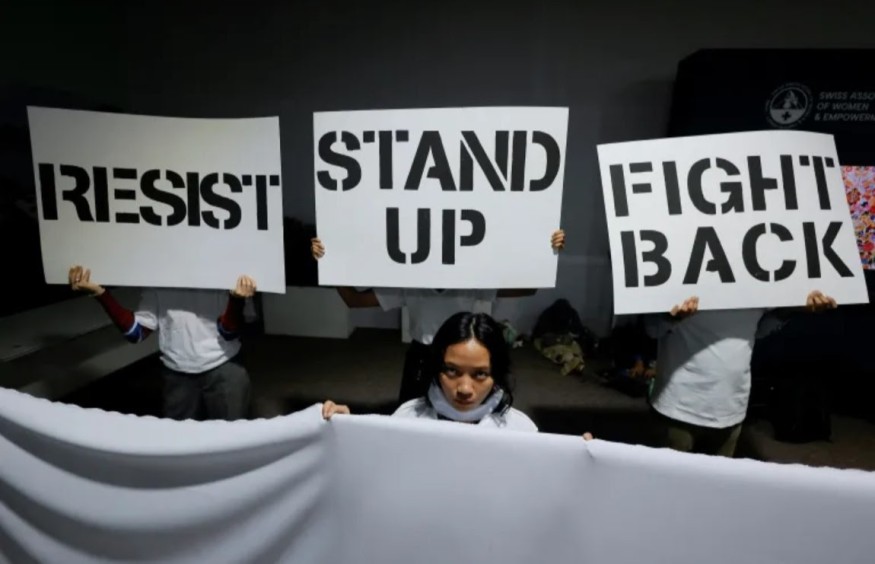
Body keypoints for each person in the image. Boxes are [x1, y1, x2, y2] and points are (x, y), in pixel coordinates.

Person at [311, 229, 566, 405]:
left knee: (467, 415)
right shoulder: (409, 282)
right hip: (423, 356)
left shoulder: (470, 281)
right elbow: (354, 300)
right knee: (411, 418)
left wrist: (547, 253)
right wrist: (328, 262)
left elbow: (528, 288)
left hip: (463, 359)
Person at [322, 311, 594, 440]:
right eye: (451, 371)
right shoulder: (407, 417)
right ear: (436, 367)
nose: (464, 388)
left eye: (480, 374)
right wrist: (345, 431)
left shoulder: (522, 431)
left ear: (497, 375)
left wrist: (581, 461)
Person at [645, 290, 837, 457]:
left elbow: (758, 330)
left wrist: (792, 309)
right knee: (671, 485)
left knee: (717, 485)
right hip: (678, 407)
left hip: (732, 407)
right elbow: (652, 329)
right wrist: (673, 317)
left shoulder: (754, 278)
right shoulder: (682, 275)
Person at [68, 265, 257, 421]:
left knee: (232, 440)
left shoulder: (226, 269)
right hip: (177, 374)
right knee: (179, 446)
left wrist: (236, 300)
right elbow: (136, 333)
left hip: (224, 367)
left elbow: (228, 332)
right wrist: (100, 293)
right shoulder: (158, 277)